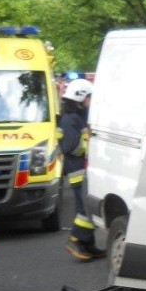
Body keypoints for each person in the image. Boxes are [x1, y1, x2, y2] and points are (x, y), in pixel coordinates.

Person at [59, 78, 105, 261]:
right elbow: (71, 146)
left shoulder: (78, 117)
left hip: (83, 170)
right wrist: (91, 144)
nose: (91, 101)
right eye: (89, 97)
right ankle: (75, 239)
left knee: (84, 207)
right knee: (85, 210)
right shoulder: (71, 120)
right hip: (78, 172)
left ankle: (88, 245)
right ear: (80, 97)